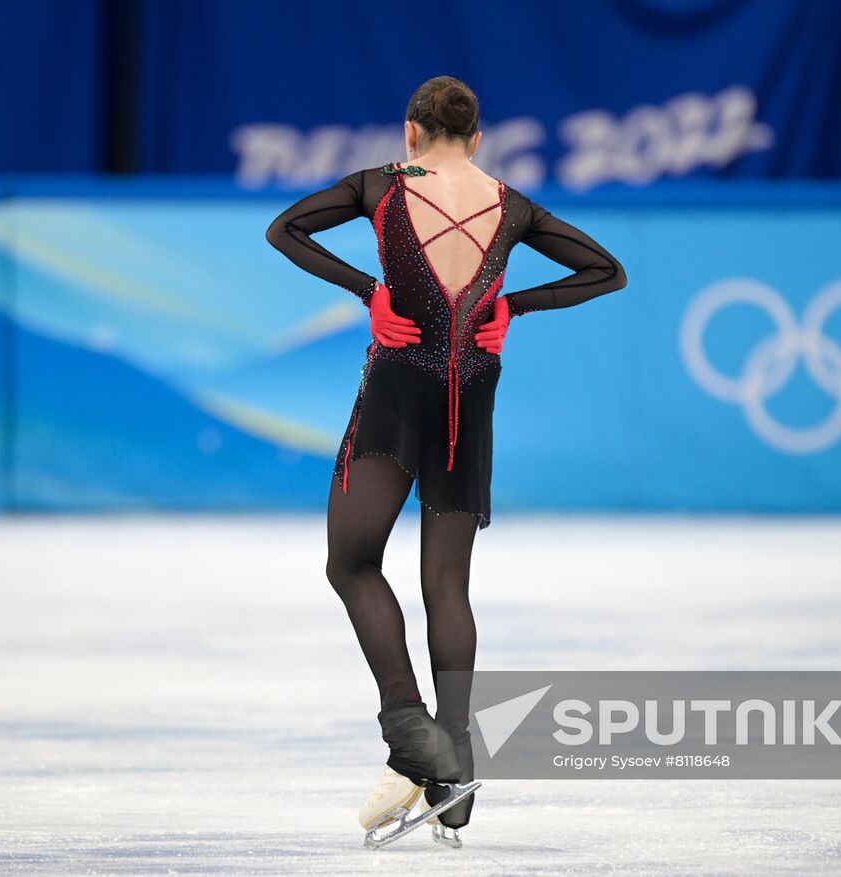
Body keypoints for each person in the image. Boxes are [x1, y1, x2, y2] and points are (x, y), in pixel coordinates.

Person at [265, 75, 626, 847]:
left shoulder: (382, 185)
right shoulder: (511, 202)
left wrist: (370, 291)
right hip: (473, 390)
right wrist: (510, 305)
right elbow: (606, 270)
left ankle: (411, 728)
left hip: (398, 388)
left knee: (353, 561)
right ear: (478, 138)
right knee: (447, 582)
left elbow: (285, 230)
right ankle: (453, 768)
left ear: (409, 133)